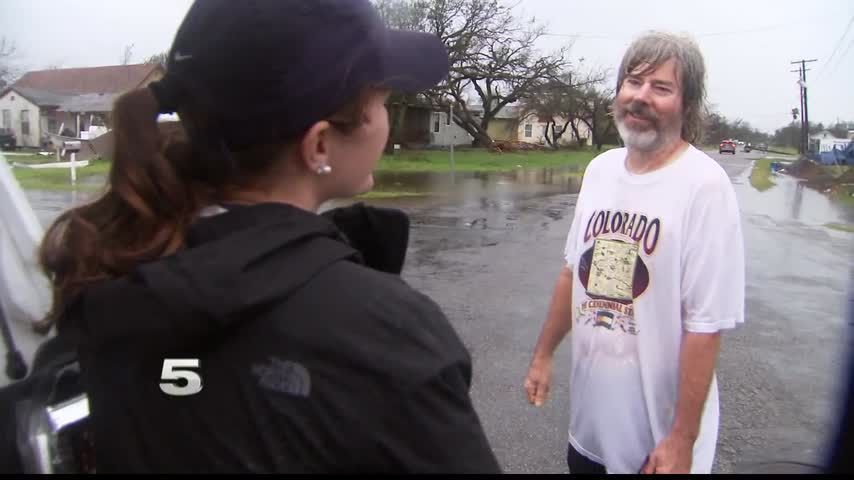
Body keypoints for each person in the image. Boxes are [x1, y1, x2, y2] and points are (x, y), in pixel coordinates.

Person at [34, 0, 501, 474]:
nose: (386, 120)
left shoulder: (113, 270)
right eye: (381, 102)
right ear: (319, 144)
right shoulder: (387, 336)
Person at [523, 31, 745, 474]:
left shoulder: (704, 186)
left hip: (657, 447)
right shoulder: (600, 171)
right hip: (590, 432)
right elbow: (574, 274)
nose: (641, 96)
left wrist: (681, 441)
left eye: (661, 87)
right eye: (633, 81)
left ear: (686, 104)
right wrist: (543, 355)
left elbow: (704, 326)